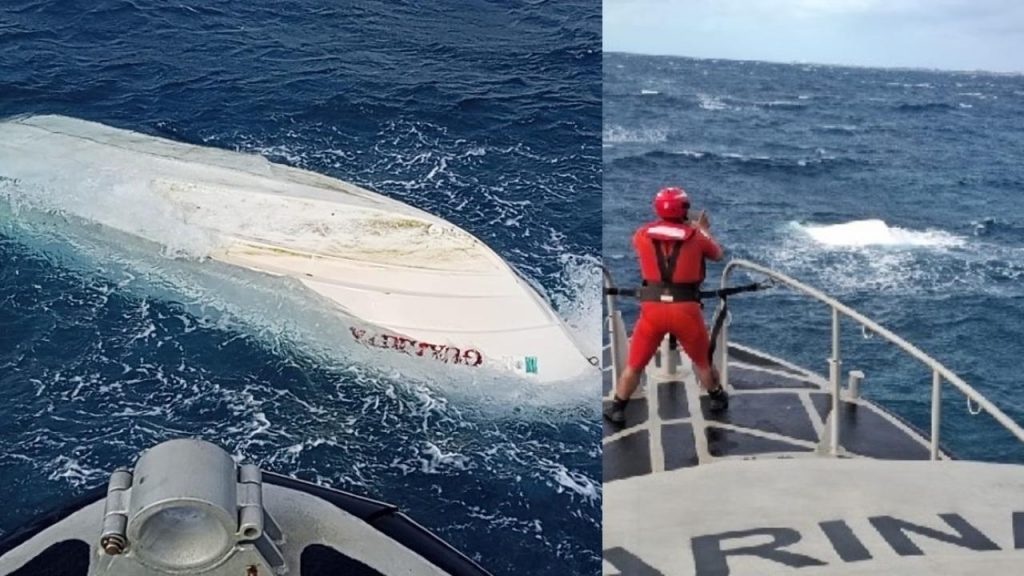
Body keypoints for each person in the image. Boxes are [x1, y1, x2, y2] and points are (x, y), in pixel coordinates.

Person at [604, 186, 727, 425]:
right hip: (686, 310)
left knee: (634, 365)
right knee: (702, 362)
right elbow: (718, 254)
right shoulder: (698, 237)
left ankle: (618, 407)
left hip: (652, 310)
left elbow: (644, 243)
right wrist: (701, 229)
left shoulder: (642, 234)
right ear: (685, 209)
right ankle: (716, 397)